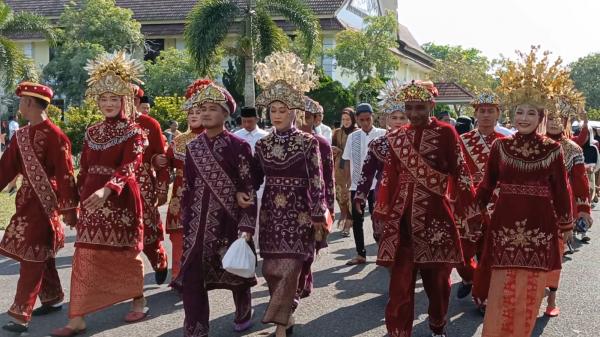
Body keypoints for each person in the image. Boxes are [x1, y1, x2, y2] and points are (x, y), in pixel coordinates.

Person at [478, 47, 573, 337]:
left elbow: (560, 188)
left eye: (531, 112)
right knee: (501, 286)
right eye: (519, 111)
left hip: (540, 225)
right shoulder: (500, 146)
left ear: (541, 116)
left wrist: (566, 222)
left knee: (531, 287)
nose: (524, 117)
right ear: (512, 114)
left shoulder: (553, 149)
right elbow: (487, 183)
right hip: (505, 222)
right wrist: (473, 207)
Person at [373, 80, 480, 337]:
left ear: (431, 105)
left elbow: (461, 174)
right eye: (409, 107)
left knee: (438, 282)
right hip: (402, 220)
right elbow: (389, 177)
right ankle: (398, 331)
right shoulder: (397, 137)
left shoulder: (446, 133)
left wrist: (472, 213)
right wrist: (381, 212)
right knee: (400, 284)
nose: (413, 113)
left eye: (419, 107)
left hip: (437, 218)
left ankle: (437, 325)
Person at [51, 52, 147, 336]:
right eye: (103, 98)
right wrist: (73, 204)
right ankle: (77, 317)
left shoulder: (135, 132)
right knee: (85, 254)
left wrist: (109, 188)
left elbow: (131, 165)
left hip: (121, 199)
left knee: (124, 252)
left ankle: (139, 298)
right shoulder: (92, 131)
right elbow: (84, 170)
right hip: (92, 199)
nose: (108, 104)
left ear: (125, 101)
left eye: (114, 99)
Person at [169, 79, 258, 336]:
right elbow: (189, 187)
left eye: (212, 108)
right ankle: (195, 328)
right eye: (202, 108)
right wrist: (187, 221)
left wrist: (247, 225)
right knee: (193, 279)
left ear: (226, 114)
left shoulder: (238, 146)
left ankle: (243, 312)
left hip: (229, 223)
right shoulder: (193, 147)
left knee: (236, 273)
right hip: (197, 225)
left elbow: (247, 187)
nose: (206, 113)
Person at [252, 51, 326, 337]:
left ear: (294, 111)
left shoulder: (308, 143)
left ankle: (281, 325)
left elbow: (317, 179)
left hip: (299, 212)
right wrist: (243, 191)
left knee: (291, 265)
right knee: (271, 268)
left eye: (283, 110)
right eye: (273, 111)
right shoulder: (262, 145)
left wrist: (319, 212)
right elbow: (255, 177)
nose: (277, 115)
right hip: (271, 210)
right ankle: (288, 313)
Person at [0, 82, 78, 333]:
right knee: (40, 251)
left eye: (21, 101)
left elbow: (66, 176)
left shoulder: (56, 135)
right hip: (25, 202)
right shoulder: (21, 135)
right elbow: (6, 168)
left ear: (29, 103)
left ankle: (21, 314)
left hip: (45, 204)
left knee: (31, 255)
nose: (19, 106)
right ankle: (53, 297)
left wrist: (69, 210)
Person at [452, 91, 505, 313]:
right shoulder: (462, 141)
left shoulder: (505, 143)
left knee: (488, 253)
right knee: (461, 252)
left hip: (495, 203)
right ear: (475, 114)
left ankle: (483, 297)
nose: (485, 115)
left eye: (490, 111)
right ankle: (469, 278)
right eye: (481, 111)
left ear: (497, 114)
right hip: (467, 203)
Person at [544, 99, 593, 317]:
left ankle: (551, 298)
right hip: (532, 206)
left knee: (556, 255)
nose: (554, 123)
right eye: (550, 118)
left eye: (559, 119)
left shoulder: (573, 148)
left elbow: (581, 180)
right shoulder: (533, 143)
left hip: (561, 209)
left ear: (565, 121)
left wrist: (583, 209)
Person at [161, 80, 207, 281]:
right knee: (179, 237)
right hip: (180, 198)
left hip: (206, 195)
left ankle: (201, 275)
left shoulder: (215, 138)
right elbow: (165, 164)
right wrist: (158, 160)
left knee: (205, 236)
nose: (195, 116)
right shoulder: (178, 141)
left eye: (199, 111)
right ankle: (178, 275)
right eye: (191, 113)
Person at [355, 80, 409, 244]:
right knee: (386, 237)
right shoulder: (378, 144)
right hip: (384, 194)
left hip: (410, 194)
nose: (398, 121)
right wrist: (360, 195)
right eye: (394, 117)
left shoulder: (417, 143)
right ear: (387, 119)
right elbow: (367, 173)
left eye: (402, 117)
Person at [342, 103, 386, 265]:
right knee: (357, 220)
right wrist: (348, 184)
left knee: (378, 218)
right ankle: (361, 254)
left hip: (377, 184)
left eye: (368, 119)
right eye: (362, 120)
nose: (366, 123)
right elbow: (346, 161)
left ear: (372, 117)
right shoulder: (352, 137)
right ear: (357, 120)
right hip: (356, 185)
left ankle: (383, 252)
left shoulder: (383, 134)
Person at [134, 90, 170, 285]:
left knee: (147, 230)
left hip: (143, 184)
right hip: (115, 187)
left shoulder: (150, 124)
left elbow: (161, 158)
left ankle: (159, 259)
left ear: (136, 101)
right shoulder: (106, 125)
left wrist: (162, 188)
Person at [331, 108, 357, 237]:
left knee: (350, 197)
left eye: (348, 119)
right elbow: (333, 148)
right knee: (340, 197)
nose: (345, 122)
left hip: (352, 168)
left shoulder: (357, 133)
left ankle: (349, 221)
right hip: (338, 169)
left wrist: (342, 151)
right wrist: (334, 150)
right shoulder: (336, 133)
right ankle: (345, 216)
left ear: (353, 119)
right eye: (343, 120)